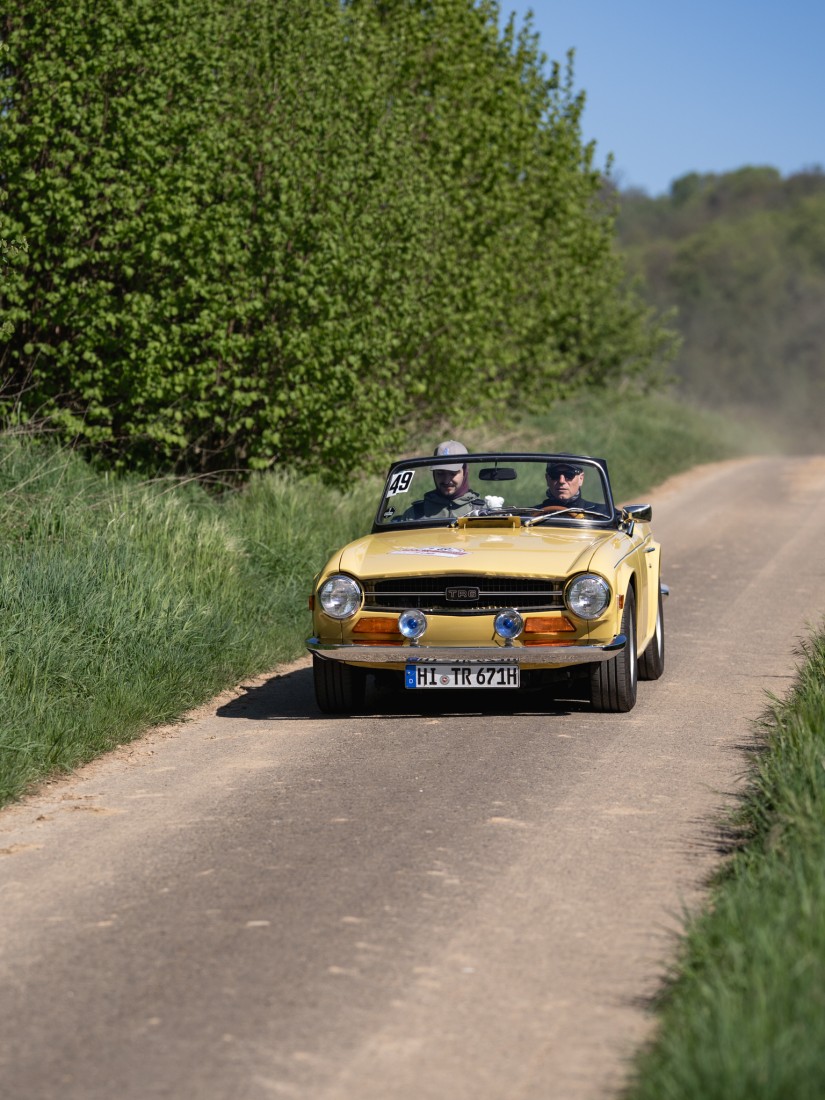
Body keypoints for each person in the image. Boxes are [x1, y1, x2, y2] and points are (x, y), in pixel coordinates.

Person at [401, 441, 486, 520]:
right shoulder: (414, 514)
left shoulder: (483, 512)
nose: (446, 481)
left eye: (453, 473)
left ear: (465, 471)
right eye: (440, 473)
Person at [536, 458, 607, 513]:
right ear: (547, 479)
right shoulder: (532, 515)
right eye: (555, 474)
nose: (561, 481)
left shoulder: (600, 514)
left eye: (569, 474)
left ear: (581, 479)